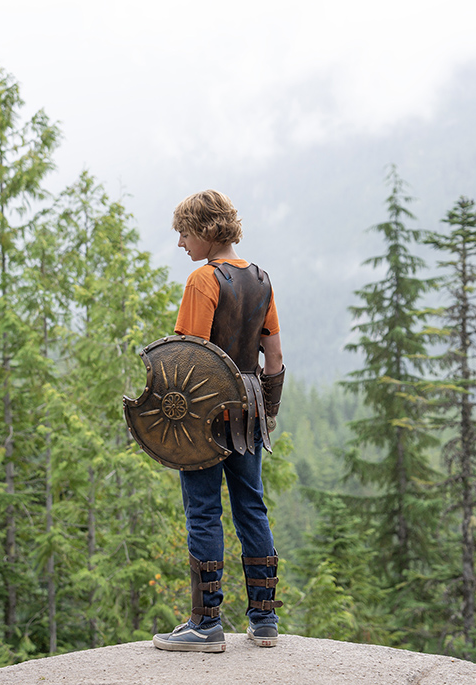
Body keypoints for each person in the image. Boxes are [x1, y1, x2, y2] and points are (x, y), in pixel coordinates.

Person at [152, 189, 286, 653]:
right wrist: (266, 413)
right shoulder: (261, 280)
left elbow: (186, 358)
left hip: (205, 411)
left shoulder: (202, 281)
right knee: (251, 506)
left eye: (185, 233)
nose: (181, 243)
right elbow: (274, 356)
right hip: (248, 406)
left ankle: (206, 624)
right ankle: (264, 618)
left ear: (207, 231)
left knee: (204, 508)